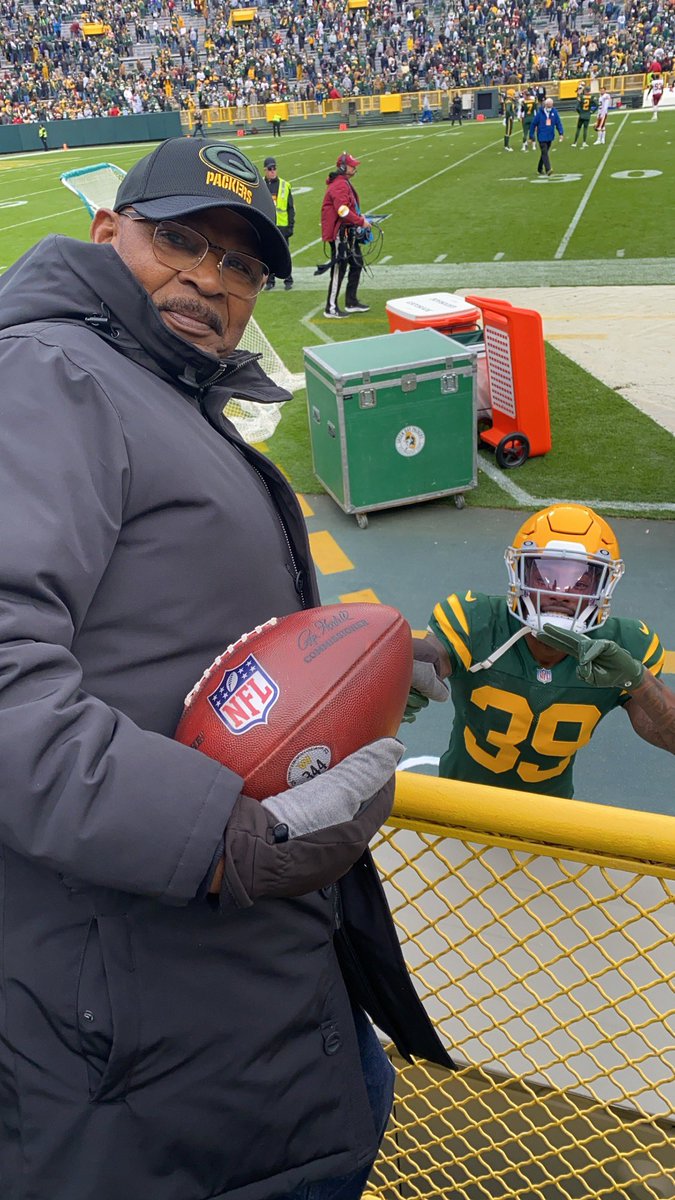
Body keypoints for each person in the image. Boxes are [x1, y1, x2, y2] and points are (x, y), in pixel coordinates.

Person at [0, 137, 451, 1200]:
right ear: (108, 232)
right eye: (180, 241)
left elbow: (158, 627)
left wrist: (367, 662)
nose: (211, 278)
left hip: (240, 1030)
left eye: (243, 265)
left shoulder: (148, 386)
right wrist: (222, 841)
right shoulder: (51, 374)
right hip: (151, 1065)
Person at [405, 504, 675, 799]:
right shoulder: (476, 619)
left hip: (547, 817)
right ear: (520, 573)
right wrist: (410, 666)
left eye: (581, 580)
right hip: (459, 804)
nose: (560, 592)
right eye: (545, 574)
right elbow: (433, 655)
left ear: (604, 584)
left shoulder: (627, 646)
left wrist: (638, 679)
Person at [320, 151, 371, 319]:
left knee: (356, 263)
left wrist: (358, 218)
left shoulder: (343, 182)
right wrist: (360, 221)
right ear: (343, 167)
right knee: (338, 269)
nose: (355, 168)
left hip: (347, 232)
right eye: (352, 165)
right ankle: (331, 308)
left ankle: (351, 301)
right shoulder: (340, 185)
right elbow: (342, 210)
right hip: (339, 234)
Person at [262, 155, 294, 291]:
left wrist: (290, 226)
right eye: (270, 169)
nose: (273, 171)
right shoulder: (261, 186)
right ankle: (270, 280)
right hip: (268, 225)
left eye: (274, 168)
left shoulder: (284, 185)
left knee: (285, 254)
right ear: (265, 170)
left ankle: (288, 278)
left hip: (282, 226)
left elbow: (290, 208)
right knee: (268, 254)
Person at [529, 97, 564, 177]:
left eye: (550, 106)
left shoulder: (554, 112)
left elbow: (558, 123)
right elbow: (533, 124)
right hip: (541, 136)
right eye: (548, 106)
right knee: (544, 151)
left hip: (550, 136)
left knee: (544, 153)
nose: (549, 107)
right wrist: (531, 135)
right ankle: (548, 169)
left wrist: (561, 133)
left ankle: (539, 168)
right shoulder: (540, 113)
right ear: (545, 105)